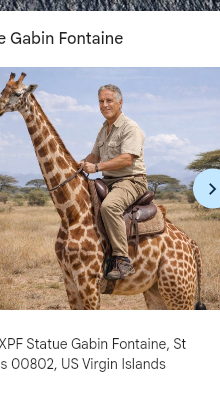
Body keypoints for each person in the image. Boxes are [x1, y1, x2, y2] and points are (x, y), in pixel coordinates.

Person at [76, 84, 146, 280]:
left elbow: (127, 159)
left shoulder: (130, 127)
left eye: (109, 100)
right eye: (101, 101)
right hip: (108, 180)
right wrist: (79, 164)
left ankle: (123, 260)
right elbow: (94, 155)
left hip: (131, 180)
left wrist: (97, 168)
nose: (104, 105)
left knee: (110, 207)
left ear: (120, 102)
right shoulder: (103, 129)